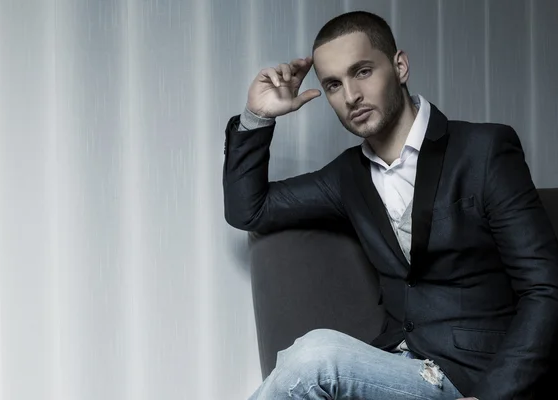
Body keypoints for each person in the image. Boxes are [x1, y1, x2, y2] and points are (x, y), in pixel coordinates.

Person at [222, 10, 558, 400]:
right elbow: (249, 209)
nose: (350, 96)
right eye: (333, 85)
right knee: (314, 356)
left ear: (399, 66)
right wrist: (257, 117)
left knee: (316, 355)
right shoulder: (347, 177)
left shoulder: (483, 151)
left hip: (475, 380)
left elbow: (545, 289)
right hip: (398, 370)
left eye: (362, 71)